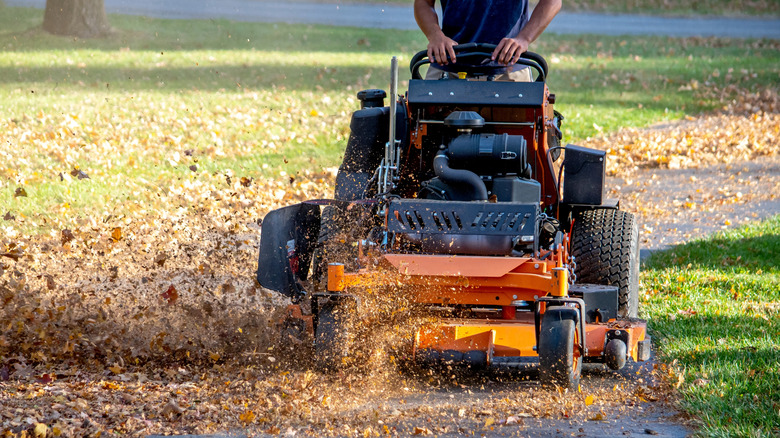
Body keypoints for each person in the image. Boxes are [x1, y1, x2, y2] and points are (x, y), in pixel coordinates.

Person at [414, 0, 561, 80]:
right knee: (426, 133)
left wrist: (524, 38)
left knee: (520, 135)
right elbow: (423, 3)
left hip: (508, 71)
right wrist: (435, 35)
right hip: (447, 69)